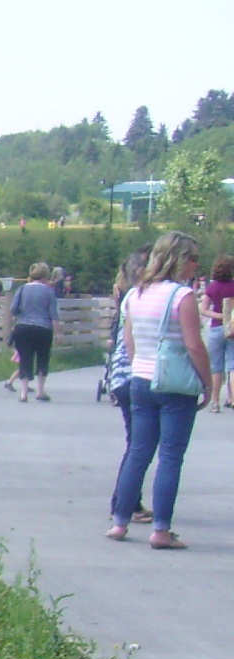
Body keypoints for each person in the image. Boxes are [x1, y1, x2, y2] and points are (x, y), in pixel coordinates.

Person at [109, 231, 212, 549]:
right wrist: (207, 384)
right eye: (194, 258)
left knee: (138, 452)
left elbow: (128, 340)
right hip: (174, 383)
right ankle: (161, 530)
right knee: (170, 455)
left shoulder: (137, 294)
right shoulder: (181, 297)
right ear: (179, 259)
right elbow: (194, 345)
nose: (197, 265)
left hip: (140, 379)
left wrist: (143, 362)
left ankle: (119, 522)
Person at [105, 248, 153, 524]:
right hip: (131, 375)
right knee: (139, 445)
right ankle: (125, 504)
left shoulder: (129, 297)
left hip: (122, 376)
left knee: (137, 443)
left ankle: (128, 501)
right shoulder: (138, 298)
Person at [7, 262, 60, 402]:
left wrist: (22, 315)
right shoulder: (49, 291)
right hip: (43, 328)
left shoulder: (22, 289)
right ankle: (40, 391)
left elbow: (13, 309)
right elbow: (54, 314)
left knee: (24, 359)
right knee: (43, 358)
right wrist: (58, 333)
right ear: (46, 276)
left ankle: (23, 393)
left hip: (23, 327)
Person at [202, 256, 234, 412]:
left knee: (216, 367)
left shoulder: (212, 288)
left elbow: (204, 309)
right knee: (232, 365)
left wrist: (219, 315)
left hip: (216, 328)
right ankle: (232, 397)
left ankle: (214, 402)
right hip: (232, 328)